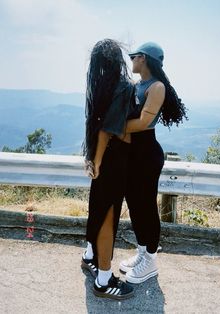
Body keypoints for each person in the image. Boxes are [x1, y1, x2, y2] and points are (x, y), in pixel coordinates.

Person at [119, 42, 188, 284]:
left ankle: (150, 260)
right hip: (133, 153)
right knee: (135, 204)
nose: (131, 59)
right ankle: (142, 253)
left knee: (146, 205)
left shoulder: (157, 87)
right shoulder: (139, 85)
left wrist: (112, 128)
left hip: (147, 154)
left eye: (134, 56)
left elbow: (143, 124)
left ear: (144, 59)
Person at [81, 39, 135, 300]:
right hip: (112, 161)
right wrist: (99, 161)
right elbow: (108, 130)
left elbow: (94, 124)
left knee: (97, 208)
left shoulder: (100, 85)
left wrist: (91, 158)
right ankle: (103, 281)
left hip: (101, 157)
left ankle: (90, 256)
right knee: (107, 216)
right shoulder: (123, 86)